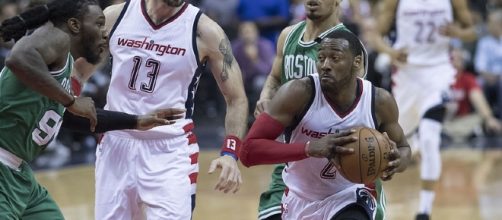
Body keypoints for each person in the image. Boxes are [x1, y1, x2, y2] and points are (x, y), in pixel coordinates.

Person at [0, 1, 183, 219]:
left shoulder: (63, 64)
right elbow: (17, 58)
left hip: (18, 173)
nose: (105, 34)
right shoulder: (56, 37)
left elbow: (73, 116)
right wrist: (71, 101)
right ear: (75, 25)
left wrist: (135, 121)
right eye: (99, 24)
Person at [94, 0, 249, 219]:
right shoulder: (114, 16)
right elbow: (78, 72)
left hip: (170, 150)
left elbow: (236, 98)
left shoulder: (205, 31)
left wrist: (231, 153)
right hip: (116, 142)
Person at [240, 30, 411, 220]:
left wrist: (397, 162)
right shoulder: (298, 93)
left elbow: (403, 147)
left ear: (356, 62)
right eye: (321, 58)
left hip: (349, 196)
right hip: (299, 198)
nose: (325, 65)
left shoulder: (379, 101)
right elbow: (248, 151)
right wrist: (309, 148)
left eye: (335, 58)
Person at [373, 0, 476, 219]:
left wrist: (458, 32)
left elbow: (472, 31)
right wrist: (389, 51)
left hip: (438, 73)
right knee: (391, 142)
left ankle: (424, 211)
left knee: (431, 139)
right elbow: (375, 35)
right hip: (407, 76)